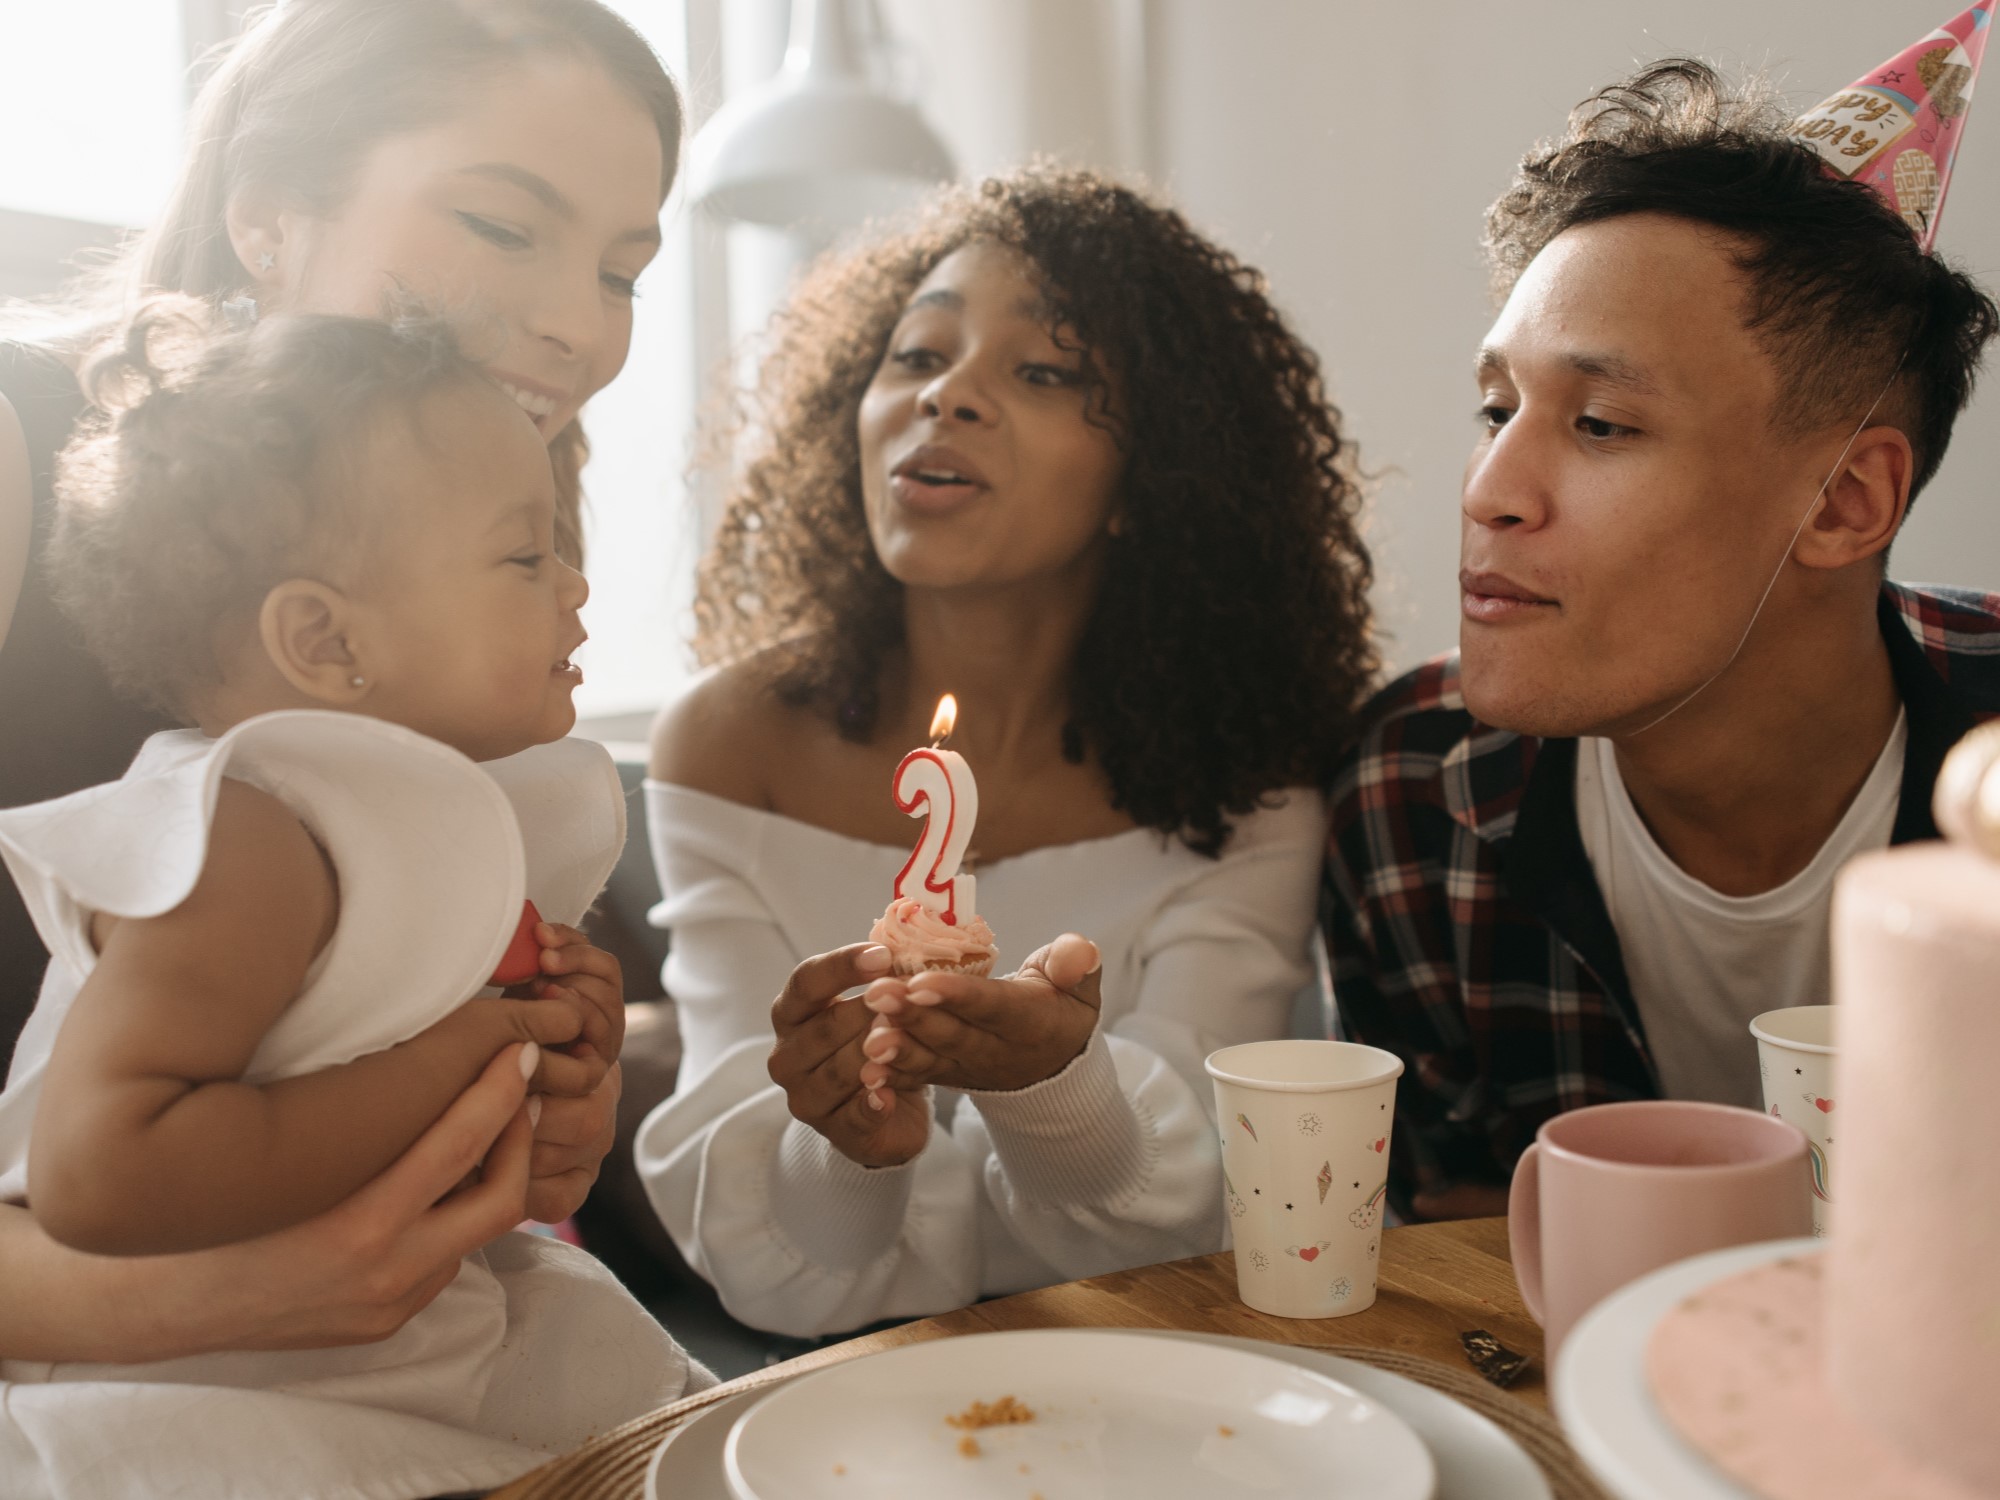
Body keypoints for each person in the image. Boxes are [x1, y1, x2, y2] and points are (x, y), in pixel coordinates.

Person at [0, 0, 677, 1365]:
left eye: (620, 273)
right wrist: (134, 1306)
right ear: (269, 217)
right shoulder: (23, 451)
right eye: (501, 225)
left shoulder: (470, 587)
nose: (572, 330)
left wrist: (538, 1113)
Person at [635, 165, 1378, 1339]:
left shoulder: (1250, 782)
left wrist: (1054, 1088)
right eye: (916, 356)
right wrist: (852, 1153)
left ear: (1152, 477)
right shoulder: (733, 746)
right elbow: (768, 1271)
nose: (948, 397)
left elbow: (1193, 1231)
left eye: (1044, 372)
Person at [0, 303, 710, 1498]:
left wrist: (542, 1085)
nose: (575, 589)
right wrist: (471, 1045)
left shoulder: (413, 821)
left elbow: (390, 1127)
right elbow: (100, 1171)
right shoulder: (248, 839)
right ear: (326, 643)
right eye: (525, 556)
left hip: (379, 1354)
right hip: (204, 1410)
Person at [1322, 58, 2000, 1224]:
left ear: (1842, 501)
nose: (1489, 490)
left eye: (1597, 424)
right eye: (1495, 411)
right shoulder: (1411, 796)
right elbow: (1454, 1271)